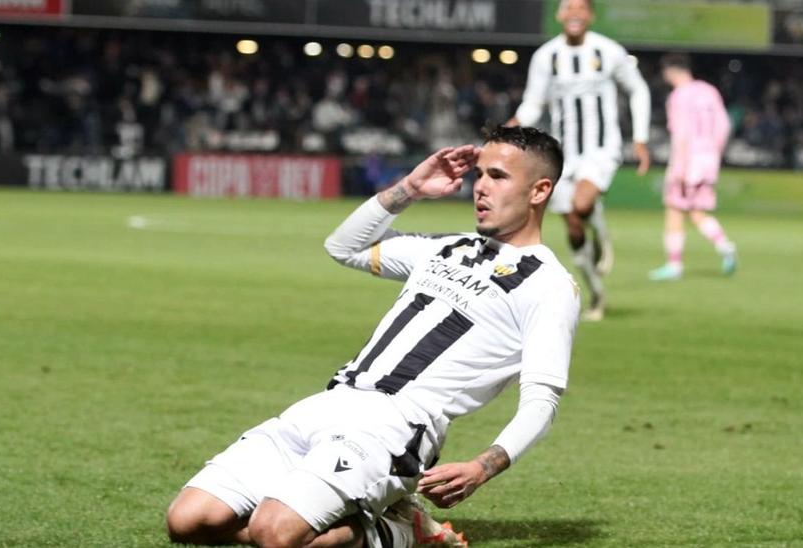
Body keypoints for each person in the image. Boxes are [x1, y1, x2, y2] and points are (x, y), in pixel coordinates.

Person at [165, 127, 580, 548]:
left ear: (539, 190)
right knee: (188, 521)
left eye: (498, 176)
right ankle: (368, 516)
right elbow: (343, 247)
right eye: (479, 175)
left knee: (273, 532)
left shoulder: (549, 286)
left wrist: (483, 466)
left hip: (396, 426)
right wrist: (411, 188)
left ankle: (402, 532)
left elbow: (542, 401)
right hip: (329, 402)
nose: (481, 188)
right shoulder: (447, 248)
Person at [509, 0, 651, 321]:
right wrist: (515, 125)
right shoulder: (547, 56)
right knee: (573, 224)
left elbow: (638, 90)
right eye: (567, 7)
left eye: (580, 7)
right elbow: (534, 101)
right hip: (563, 153)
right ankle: (596, 291)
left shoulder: (609, 51)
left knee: (581, 206)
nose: (574, 13)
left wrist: (640, 138)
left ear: (590, 15)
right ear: (560, 15)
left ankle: (597, 226)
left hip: (601, 149)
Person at [649, 53, 737, 281]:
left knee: (674, 209)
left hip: (688, 160)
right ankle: (725, 246)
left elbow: (682, 134)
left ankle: (674, 264)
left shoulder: (678, 97)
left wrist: (680, 167)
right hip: (708, 158)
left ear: (669, 71)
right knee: (697, 211)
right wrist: (714, 153)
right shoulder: (709, 91)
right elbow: (724, 126)